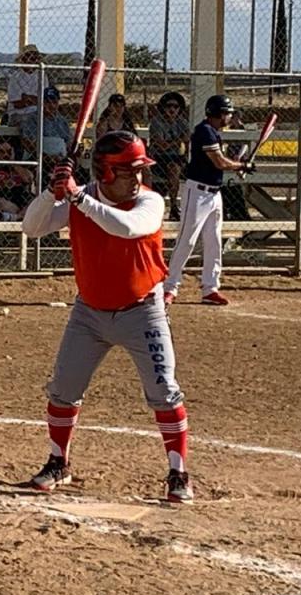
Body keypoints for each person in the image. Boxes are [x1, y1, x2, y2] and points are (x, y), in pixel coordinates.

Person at [21, 131, 192, 503]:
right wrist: (53, 192)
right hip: (89, 313)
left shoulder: (151, 201)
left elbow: (127, 228)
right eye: (129, 171)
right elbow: (31, 227)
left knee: (164, 391)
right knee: (63, 390)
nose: (138, 178)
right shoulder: (79, 200)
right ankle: (58, 462)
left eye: (139, 170)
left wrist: (78, 195)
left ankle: (179, 473)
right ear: (107, 172)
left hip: (142, 312)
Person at [164, 95, 254, 307]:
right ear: (218, 113)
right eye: (227, 113)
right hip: (197, 193)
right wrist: (241, 166)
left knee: (213, 241)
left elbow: (220, 163)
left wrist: (240, 165)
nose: (229, 117)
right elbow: (219, 161)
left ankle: (210, 288)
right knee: (187, 240)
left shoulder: (214, 132)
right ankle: (169, 287)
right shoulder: (204, 131)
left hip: (214, 194)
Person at [148, 91, 189, 220]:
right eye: (169, 106)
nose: (172, 109)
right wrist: (179, 140)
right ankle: (173, 206)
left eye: (175, 107)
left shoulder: (181, 122)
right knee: (173, 168)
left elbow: (188, 139)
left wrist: (182, 145)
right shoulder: (157, 122)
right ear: (163, 107)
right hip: (159, 158)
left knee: (177, 167)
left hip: (177, 157)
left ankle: (185, 207)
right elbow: (161, 145)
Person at [20, 85, 70, 167]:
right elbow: (28, 143)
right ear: (41, 103)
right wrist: (46, 157)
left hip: (59, 160)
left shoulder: (62, 121)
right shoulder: (32, 119)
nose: (51, 106)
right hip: (37, 160)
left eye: (54, 102)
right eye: (47, 102)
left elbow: (68, 143)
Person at [6, 44, 48, 132]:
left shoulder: (42, 76)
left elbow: (44, 100)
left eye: (34, 57)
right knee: (29, 124)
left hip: (38, 114)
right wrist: (35, 100)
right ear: (23, 59)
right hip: (18, 115)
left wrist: (27, 98)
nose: (32, 60)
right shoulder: (15, 77)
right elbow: (18, 104)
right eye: (29, 56)